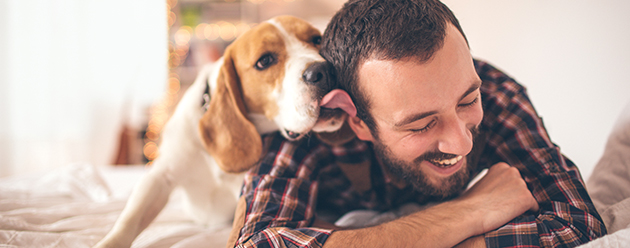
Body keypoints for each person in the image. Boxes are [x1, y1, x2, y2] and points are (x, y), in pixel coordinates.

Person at [227, 0, 606, 247]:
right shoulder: (312, 122)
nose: (461, 143)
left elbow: (578, 223)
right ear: (357, 121)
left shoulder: (495, 91)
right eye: (420, 125)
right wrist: (470, 211)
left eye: (467, 101)